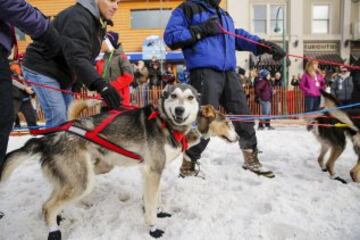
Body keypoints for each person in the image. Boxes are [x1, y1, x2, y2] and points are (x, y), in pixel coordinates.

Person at [164, 0, 285, 178]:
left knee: (243, 114)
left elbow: (236, 36)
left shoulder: (224, 15)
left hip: (229, 72)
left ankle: (251, 158)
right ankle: (189, 163)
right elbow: (171, 37)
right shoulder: (189, 8)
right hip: (204, 71)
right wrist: (201, 30)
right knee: (206, 120)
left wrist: (264, 45)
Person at [0, 0, 62, 222]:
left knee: (16, 118)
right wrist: (45, 30)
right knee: (6, 119)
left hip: (24, 90)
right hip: (21, 90)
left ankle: (36, 135)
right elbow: (11, 4)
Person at [22, 0, 122, 128]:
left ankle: (63, 145)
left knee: (70, 118)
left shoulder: (99, 23)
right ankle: (54, 147)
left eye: (118, 3)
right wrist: (101, 85)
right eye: (112, 1)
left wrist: (77, 82)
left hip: (63, 72)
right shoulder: (78, 17)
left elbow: (84, 55)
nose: (116, 7)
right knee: (58, 117)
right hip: (43, 67)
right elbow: (77, 56)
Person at [96, 31, 134, 109]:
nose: (99, 44)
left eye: (101, 41)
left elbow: (129, 77)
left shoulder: (121, 57)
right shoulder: (102, 60)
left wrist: (111, 87)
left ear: (108, 42)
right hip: (105, 101)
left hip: (120, 101)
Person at [11, 61, 38, 128]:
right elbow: (13, 81)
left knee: (31, 116)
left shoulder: (26, 70)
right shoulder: (10, 71)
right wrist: (25, 87)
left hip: (25, 98)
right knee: (11, 115)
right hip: (15, 98)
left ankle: (33, 126)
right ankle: (10, 126)